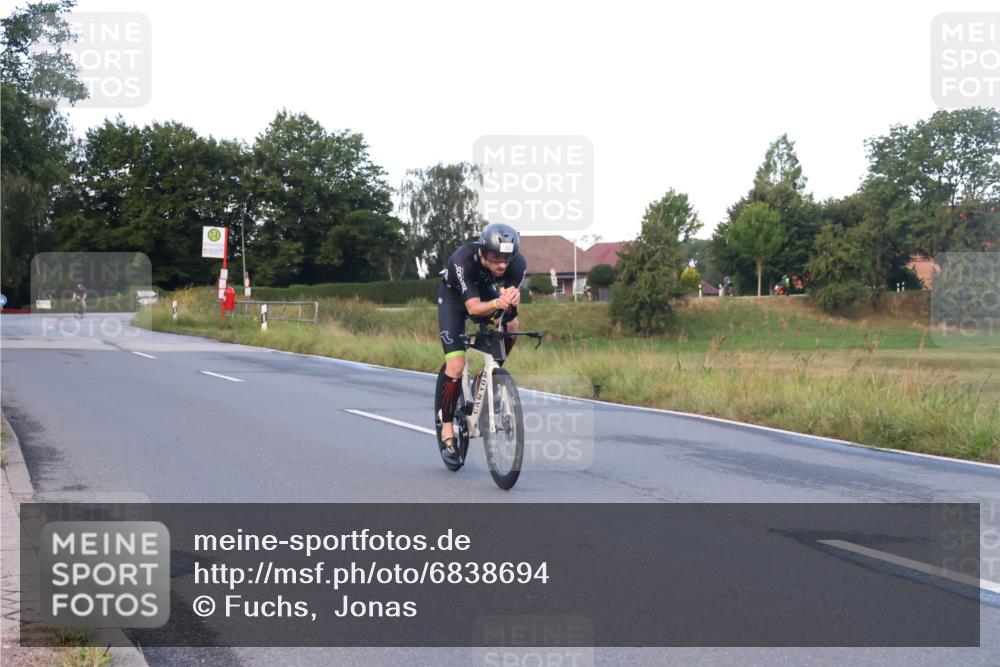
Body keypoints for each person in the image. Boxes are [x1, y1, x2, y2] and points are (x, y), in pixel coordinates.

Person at [435, 223, 526, 466]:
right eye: (496, 258)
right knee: (455, 365)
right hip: (454, 298)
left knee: (512, 326)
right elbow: (474, 308)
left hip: (484, 291)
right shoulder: (463, 260)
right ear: (482, 252)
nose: (502, 265)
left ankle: (488, 376)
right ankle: (446, 429)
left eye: (507, 258)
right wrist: (498, 303)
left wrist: (510, 297)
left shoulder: (518, 265)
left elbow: (508, 303)